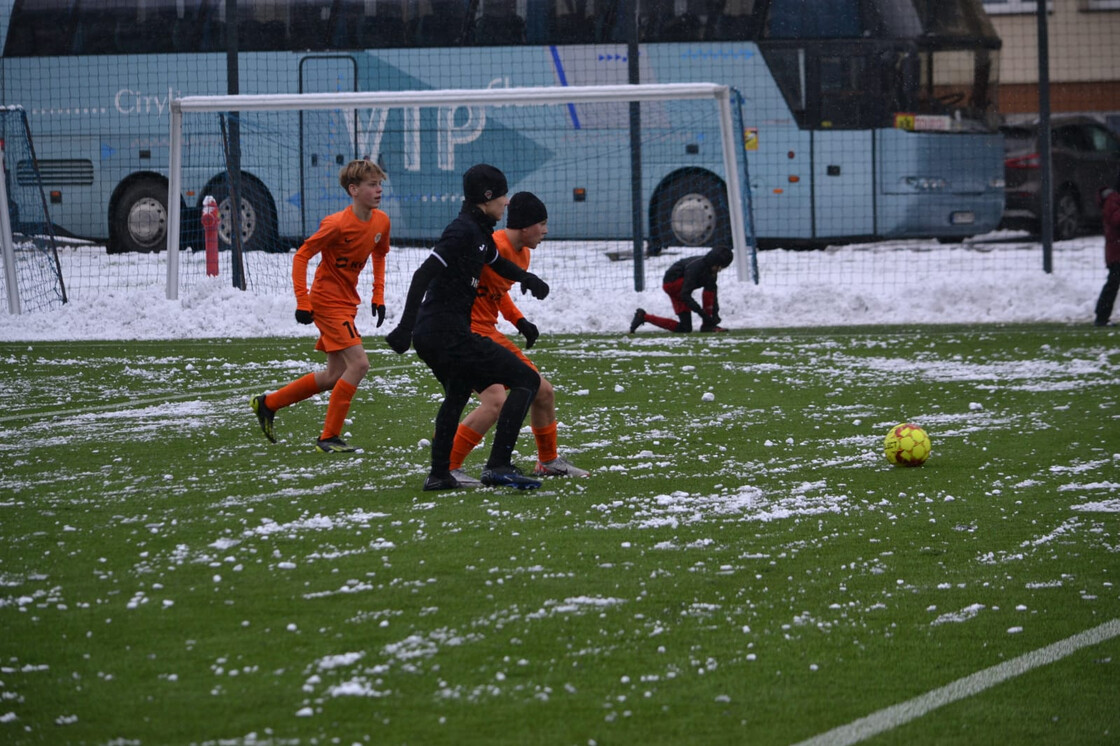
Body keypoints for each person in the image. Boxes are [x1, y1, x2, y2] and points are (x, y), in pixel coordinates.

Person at [385, 164, 551, 491]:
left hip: (441, 334)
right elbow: (423, 275)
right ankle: (498, 465)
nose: (507, 202)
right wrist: (404, 328)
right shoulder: (462, 232)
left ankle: (439, 474)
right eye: (502, 195)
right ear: (487, 197)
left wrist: (527, 278)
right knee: (527, 379)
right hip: (445, 334)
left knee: (458, 393)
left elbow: (495, 262)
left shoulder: (479, 233)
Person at [448, 192, 589, 485]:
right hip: (467, 334)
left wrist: (520, 320)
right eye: (542, 223)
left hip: (489, 332)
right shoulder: (491, 246)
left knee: (543, 392)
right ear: (525, 226)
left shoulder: (522, 254)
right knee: (495, 401)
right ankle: (448, 467)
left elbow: (496, 294)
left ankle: (548, 461)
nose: (546, 231)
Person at [250, 159, 390, 452]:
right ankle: (328, 437)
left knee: (333, 375)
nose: (379, 190)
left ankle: (268, 403)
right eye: (372, 185)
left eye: (380, 184)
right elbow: (301, 256)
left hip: (347, 302)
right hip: (326, 302)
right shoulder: (336, 224)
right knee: (360, 364)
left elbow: (379, 255)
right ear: (353, 190)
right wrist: (303, 301)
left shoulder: (381, 222)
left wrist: (378, 296)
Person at [629, 245, 733, 334]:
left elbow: (713, 295)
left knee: (685, 328)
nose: (720, 270)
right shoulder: (695, 269)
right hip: (671, 284)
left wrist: (714, 315)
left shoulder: (710, 270)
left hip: (682, 289)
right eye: (719, 266)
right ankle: (707, 324)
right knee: (709, 285)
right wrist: (703, 314)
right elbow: (685, 294)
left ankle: (643, 317)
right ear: (714, 262)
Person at [1094, 174, 1120, 327]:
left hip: (1116, 250)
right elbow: (1116, 220)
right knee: (1113, 283)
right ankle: (1101, 316)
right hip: (1116, 252)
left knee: (1113, 283)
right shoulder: (1113, 200)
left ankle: (1101, 316)